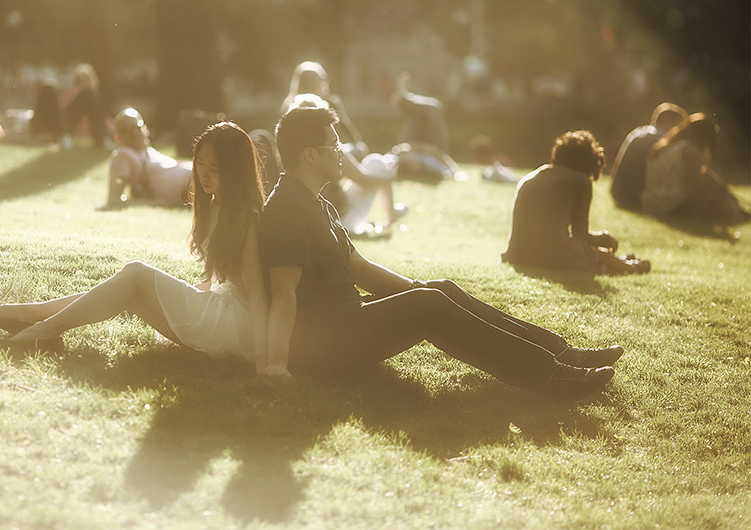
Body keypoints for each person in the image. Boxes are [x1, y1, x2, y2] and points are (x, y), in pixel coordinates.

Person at [258, 106, 624, 400]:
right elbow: (282, 291)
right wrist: (276, 363)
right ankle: (552, 377)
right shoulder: (287, 209)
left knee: (439, 290)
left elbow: (359, 267)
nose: (342, 154)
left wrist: (419, 286)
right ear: (309, 155)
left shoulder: (315, 202)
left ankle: (563, 354)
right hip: (327, 342)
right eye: (334, 148)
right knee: (429, 304)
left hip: (344, 322)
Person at [0, 121, 275, 376]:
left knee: (136, 274)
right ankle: (31, 317)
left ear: (235, 171)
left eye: (216, 169)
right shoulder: (216, 205)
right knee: (132, 287)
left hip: (236, 327)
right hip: (220, 312)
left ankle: (39, 329)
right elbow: (217, 279)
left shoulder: (246, 217)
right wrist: (184, 293)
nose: (204, 176)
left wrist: (264, 362)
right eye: (201, 165)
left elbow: (259, 295)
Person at [502, 130, 650, 275]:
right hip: (549, 256)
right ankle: (629, 267)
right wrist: (605, 238)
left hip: (518, 255)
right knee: (587, 252)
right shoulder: (581, 181)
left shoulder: (533, 176)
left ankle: (617, 262)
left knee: (580, 249)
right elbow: (581, 236)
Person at [288, 93, 407, 236]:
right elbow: (364, 181)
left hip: (322, 215)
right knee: (375, 162)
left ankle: (391, 214)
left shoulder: (290, 150)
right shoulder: (328, 149)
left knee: (375, 162)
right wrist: (390, 177)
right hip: (340, 219)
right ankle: (391, 216)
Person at [640, 113, 751, 226]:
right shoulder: (687, 150)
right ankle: (740, 214)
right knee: (718, 208)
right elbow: (700, 186)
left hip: (650, 202)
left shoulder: (666, 145)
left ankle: (739, 212)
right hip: (670, 204)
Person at [106, 108, 193, 208]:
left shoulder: (149, 152)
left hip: (198, 178)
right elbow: (113, 200)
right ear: (117, 137)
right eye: (126, 129)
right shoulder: (123, 154)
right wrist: (151, 203)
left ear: (145, 128)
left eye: (137, 125)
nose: (134, 132)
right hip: (193, 183)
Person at [609, 102, 688, 210]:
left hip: (617, 192)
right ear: (667, 121)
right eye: (678, 126)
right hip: (634, 197)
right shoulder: (661, 139)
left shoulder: (638, 132)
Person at [281, 61, 367, 157]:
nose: (324, 82)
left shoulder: (289, 105)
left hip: (298, 156)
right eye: (321, 79)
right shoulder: (328, 104)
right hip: (327, 153)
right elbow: (350, 133)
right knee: (360, 149)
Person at [61, 63, 109, 148]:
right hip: (77, 131)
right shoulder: (74, 94)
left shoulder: (94, 97)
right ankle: (101, 139)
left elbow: (100, 117)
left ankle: (101, 139)